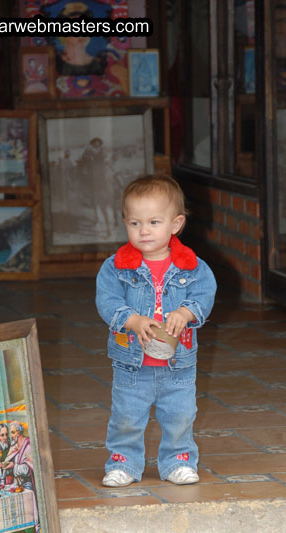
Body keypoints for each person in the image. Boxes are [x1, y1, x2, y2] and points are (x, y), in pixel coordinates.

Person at [95, 175, 217, 487]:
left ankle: (178, 460)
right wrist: (131, 320)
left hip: (178, 365)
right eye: (134, 223)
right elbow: (106, 300)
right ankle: (123, 462)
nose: (144, 231)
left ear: (176, 224)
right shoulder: (116, 267)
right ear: (125, 222)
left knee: (179, 415)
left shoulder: (192, 267)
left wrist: (186, 311)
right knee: (126, 416)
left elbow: (205, 293)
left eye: (153, 222)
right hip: (131, 364)